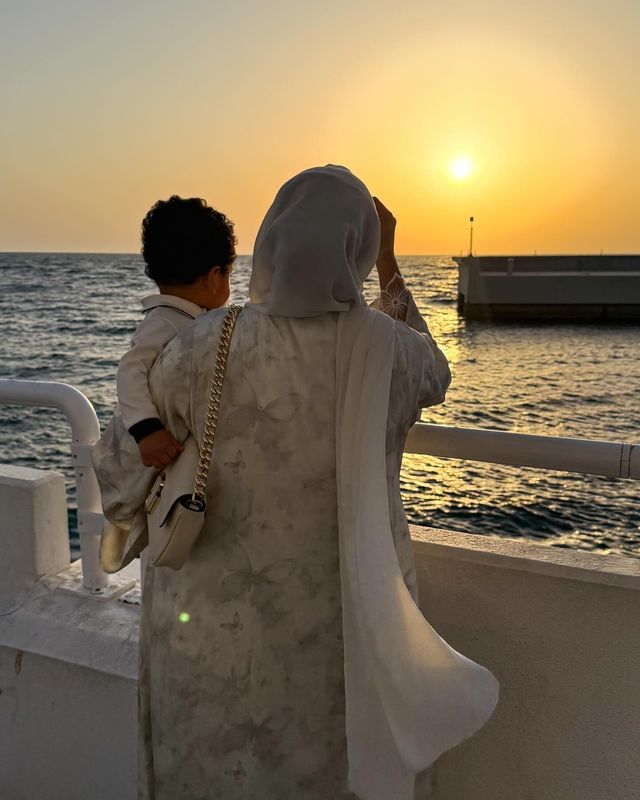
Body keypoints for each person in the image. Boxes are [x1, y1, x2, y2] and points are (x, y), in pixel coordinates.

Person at [93, 165, 498, 800]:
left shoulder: (203, 344)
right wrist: (389, 258)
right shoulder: (387, 350)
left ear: (273, 241)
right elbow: (436, 372)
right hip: (342, 636)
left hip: (208, 640)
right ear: (353, 248)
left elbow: (121, 478)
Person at [118, 195, 236, 468]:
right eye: (229, 274)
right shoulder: (166, 322)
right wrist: (147, 431)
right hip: (155, 455)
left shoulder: (193, 318)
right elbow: (130, 370)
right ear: (214, 276)